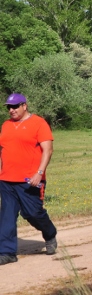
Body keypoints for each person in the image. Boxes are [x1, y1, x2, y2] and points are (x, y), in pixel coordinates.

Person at [0, 94, 58, 265]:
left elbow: (48, 150)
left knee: (32, 213)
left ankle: (50, 233)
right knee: (7, 216)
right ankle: (7, 252)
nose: (11, 110)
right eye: (9, 107)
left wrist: (39, 173)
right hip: (7, 180)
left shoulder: (39, 123)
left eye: (15, 106)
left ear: (24, 105)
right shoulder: (6, 125)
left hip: (30, 180)